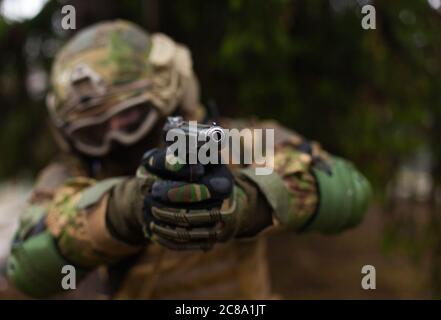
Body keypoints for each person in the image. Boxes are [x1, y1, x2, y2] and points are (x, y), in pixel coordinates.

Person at [5, 20, 371, 299]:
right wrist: (127, 209)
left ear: (167, 94)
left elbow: (347, 190)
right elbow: (28, 264)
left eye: (130, 118)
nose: (115, 139)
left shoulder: (232, 141)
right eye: (95, 132)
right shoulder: (71, 174)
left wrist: (250, 202)